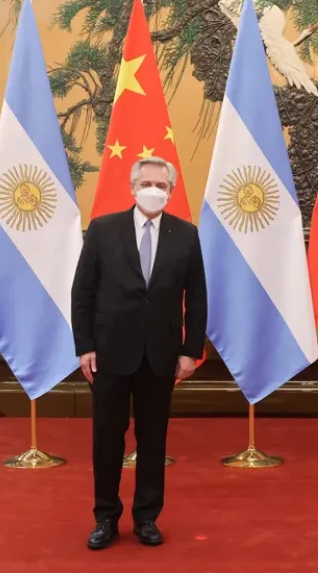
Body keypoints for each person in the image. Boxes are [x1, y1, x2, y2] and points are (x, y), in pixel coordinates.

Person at [71, 156, 207, 549]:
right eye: (146, 182)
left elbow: (196, 298)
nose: (153, 189)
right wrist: (84, 347)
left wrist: (190, 351)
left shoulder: (186, 234)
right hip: (109, 353)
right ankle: (106, 518)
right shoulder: (102, 230)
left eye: (161, 185)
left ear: (171, 191)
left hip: (161, 355)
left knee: (153, 440)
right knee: (107, 439)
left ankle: (147, 517)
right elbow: (82, 294)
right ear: (132, 187)